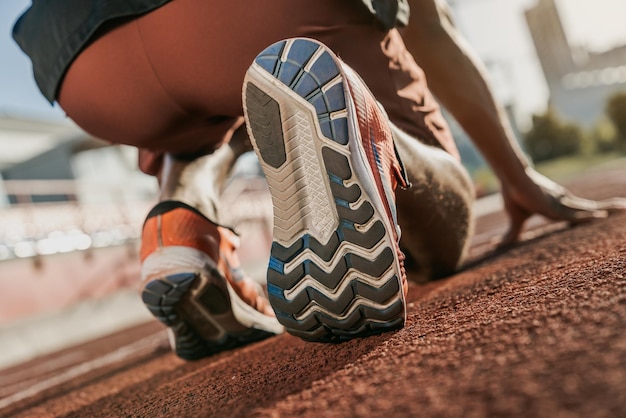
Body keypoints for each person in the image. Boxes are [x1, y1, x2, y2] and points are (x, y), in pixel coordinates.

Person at [12, 0, 625, 359]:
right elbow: (430, 27)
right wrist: (516, 175)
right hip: (256, 16)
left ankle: (185, 224)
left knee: (211, 118)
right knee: (444, 213)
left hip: (87, 68)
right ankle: (355, 117)